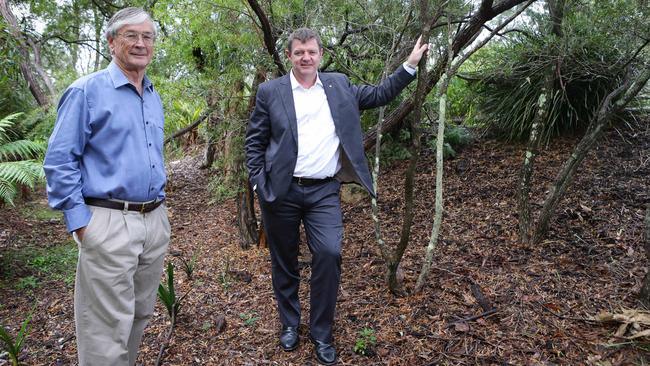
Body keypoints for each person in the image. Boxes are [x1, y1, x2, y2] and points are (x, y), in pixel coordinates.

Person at [245, 27, 428, 365]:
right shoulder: (271, 92)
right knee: (283, 262)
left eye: (311, 52)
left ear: (320, 55)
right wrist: (259, 183)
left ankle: (321, 332)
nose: (305, 57)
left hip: (323, 191)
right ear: (289, 56)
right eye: (299, 52)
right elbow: (254, 142)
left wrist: (410, 65)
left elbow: (378, 95)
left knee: (329, 253)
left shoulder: (338, 85)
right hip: (281, 192)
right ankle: (289, 323)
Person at [43, 7, 169, 366]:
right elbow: (59, 160)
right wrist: (82, 224)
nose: (141, 43)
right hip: (108, 221)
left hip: (153, 222)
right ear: (112, 42)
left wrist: (160, 216)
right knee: (104, 330)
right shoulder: (87, 91)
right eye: (131, 35)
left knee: (138, 315)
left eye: (147, 36)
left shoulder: (152, 94)